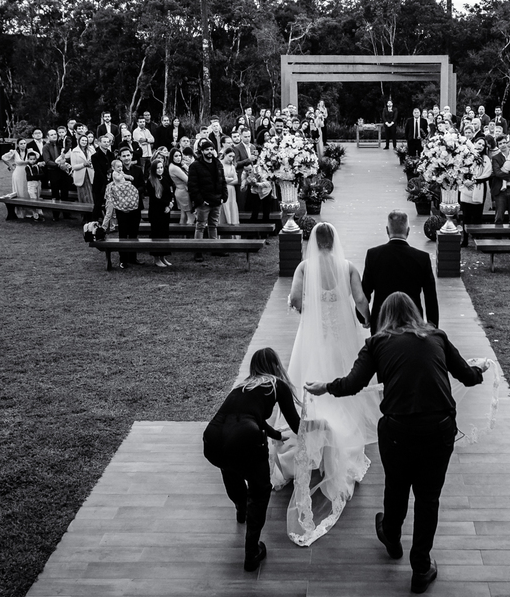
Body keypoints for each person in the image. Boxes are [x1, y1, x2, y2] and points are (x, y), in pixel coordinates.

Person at [305, 293, 490, 595]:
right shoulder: (437, 336)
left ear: (384, 318)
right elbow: (468, 378)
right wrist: (480, 367)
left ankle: (391, 535)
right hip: (439, 430)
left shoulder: (377, 343)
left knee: (397, 485)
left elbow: (353, 384)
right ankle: (420, 568)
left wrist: (324, 386)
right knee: (428, 499)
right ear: (415, 313)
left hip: (398, 431)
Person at [272, 223, 382, 546]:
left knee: (308, 388)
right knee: (344, 385)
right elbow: (361, 299)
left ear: (312, 243)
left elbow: (294, 299)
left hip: (313, 338)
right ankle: (341, 443)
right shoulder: (346, 267)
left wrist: (307, 310)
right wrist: (364, 318)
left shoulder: (305, 267)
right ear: (334, 241)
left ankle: (311, 446)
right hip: (341, 338)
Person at [204, 347, 301, 572]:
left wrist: (275, 435)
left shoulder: (242, 386)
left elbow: (249, 415)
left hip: (212, 437)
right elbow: (296, 424)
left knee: (231, 468)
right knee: (260, 490)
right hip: (245, 436)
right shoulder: (278, 385)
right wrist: (316, 427)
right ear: (276, 365)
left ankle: (240, 507)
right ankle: (251, 552)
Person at [361, 210, 439, 332]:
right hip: (413, 322)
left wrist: (363, 317)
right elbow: (430, 297)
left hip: (381, 321)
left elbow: (365, 290)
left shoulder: (373, 255)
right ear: (408, 231)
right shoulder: (421, 258)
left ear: (387, 230)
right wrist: (433, 325)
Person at [188, 139, 226, 260]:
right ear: (202, 151)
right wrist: (200, 201)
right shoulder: (195, 166)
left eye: (211, 149)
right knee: (200, 226)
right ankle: (197, 251)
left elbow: (223, 181)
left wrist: (224, 196)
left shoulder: (218, 163)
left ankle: (214, 248)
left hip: (217, 201)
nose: (209, 152)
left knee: (213, 225)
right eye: (207, 150)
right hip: (203, 202)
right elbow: (192, 186)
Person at [101, 160, 142, 269]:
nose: (120, 168)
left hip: (133, 206)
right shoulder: (116, 174)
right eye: (118, 166)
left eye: (121, 166)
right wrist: (125, 176)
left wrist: (129, 179)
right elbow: (119, 179)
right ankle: (123, 259)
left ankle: (133, 257)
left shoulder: (137, 170)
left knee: (133, 233)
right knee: (123, 233)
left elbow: (141, 185)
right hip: (121, 205)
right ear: (113, 167)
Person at [145, 153, 174, 267]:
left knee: (164, 234)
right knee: (157, 234)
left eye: (161, 167)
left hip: (166, 211)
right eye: (158, 168)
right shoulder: (151, 181)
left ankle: (163, 256)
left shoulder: (165, 179)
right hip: (156, 211)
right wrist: (167, 204)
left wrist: (170, 204)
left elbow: (169, 193)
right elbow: (155, 198)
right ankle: (156, 258)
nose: (160, 170)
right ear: (153, 169)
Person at [169, 147, 192, 226]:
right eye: (176, 156)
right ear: (171, 157)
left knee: (183, 215)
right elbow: (188, 180)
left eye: (179, 155)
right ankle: (189, 234)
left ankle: (184, 236)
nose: (178, 158)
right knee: (191, 216)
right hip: (183, 192)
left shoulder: (174, 166)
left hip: (181, 191)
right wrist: (186, 167)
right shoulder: (174, 167)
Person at [220, 147, 240, 227]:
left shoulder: (232, 166)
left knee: (232, 205)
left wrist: (226, 180)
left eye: (233, 157)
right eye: (230, 156)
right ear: (225, 155)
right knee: (224, 206)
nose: (231, 158)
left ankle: (232, 222)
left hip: (231, 190)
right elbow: (219, 179)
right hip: (223, 189)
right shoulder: (220, 164)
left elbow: (236, 180)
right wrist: (229, 180)